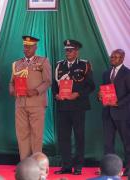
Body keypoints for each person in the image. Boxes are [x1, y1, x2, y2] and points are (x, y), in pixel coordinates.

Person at [53, 39, 95, 175]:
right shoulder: (59, 65)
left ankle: (78, 166)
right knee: (63, 137)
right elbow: (55, 86)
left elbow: (90, 86)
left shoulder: (84, 65)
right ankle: (66, 165)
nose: (68, 52)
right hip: (63, 106)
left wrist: (77, 94)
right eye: (66, 50)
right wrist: (56, 95)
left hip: (78, 107)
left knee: (79, 136)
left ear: (76, 51)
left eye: (70, 50)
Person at [9, 36, 51, 161]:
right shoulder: (17, 63)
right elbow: (11, 82)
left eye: (29, 46)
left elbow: (48, 81)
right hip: (20, 103)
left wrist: (36, 90)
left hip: (37, 103)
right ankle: (25, 162)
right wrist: (12, 91)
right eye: (25, 46)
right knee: (22, 134)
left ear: (35, 47)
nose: (26, 49)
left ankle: (37, 163)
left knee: (36, 134)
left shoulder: (43, 61)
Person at [98, 49, 130, 176]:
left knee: (127, 143)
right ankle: (108, 170)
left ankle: (128, 170)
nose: (112, 59)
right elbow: (104, 90)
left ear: (122, 58)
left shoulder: (127, 73)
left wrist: (118, 103)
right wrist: (100, 96)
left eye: (116, 57)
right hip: (107, 113)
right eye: (112, 57)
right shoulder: (106, 73)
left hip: (123, 113)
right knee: (108, 144)